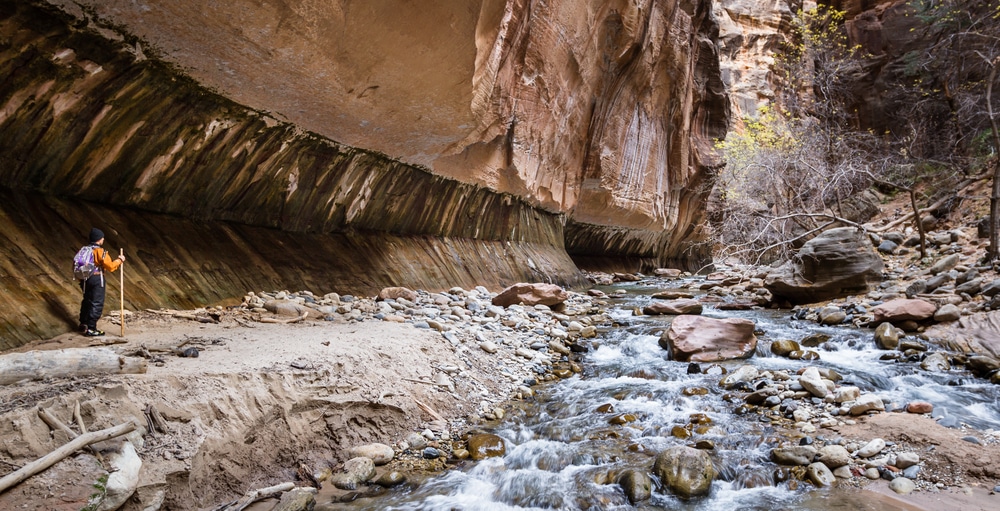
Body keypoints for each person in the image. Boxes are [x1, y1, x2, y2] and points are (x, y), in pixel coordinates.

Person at [79, 227, 125, 337]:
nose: (103, 240)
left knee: (87, 300)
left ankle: (83, 323)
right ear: (99, 239)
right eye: (102, 238)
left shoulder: (84, 250)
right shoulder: (100, 251)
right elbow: (110, 266)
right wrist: (120, 260)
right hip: (97, 278)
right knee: (96, 302)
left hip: (85, 279)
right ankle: (91, 328)